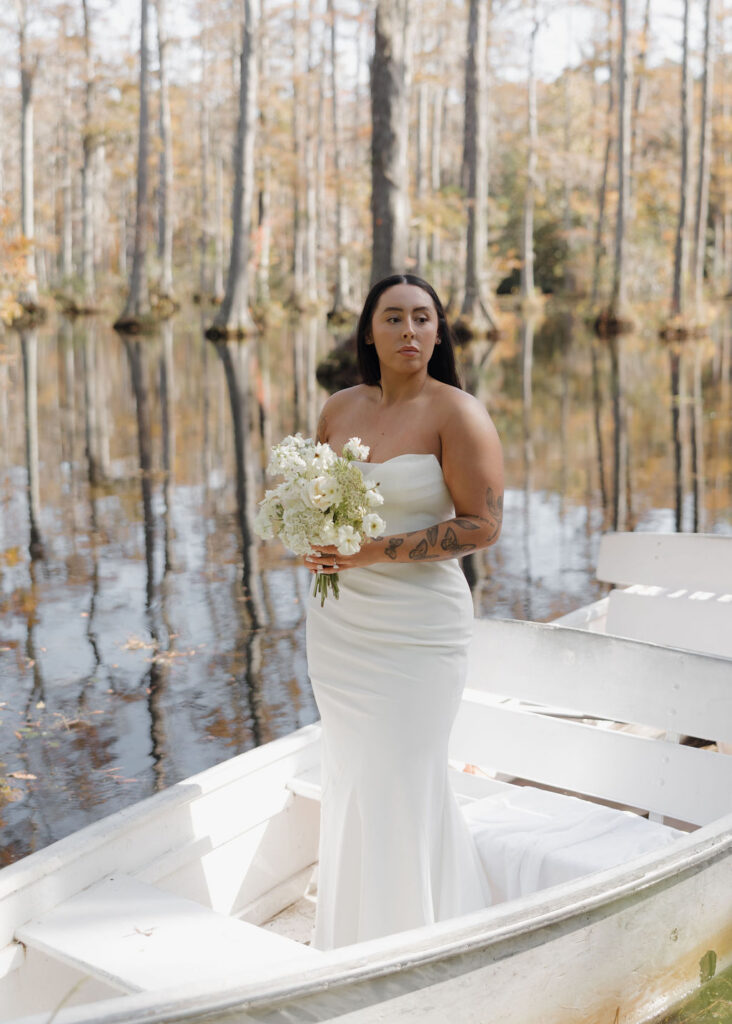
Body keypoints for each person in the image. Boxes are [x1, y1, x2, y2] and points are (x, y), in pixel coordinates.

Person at [305, 274, 504, 950]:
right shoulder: (336, 410)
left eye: (423, 318)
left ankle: (422, 939)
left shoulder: (458, 413)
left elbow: (482, 526)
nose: (410, 330)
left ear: (440, 332)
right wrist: (312, 539)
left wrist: (375, 551)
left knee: (403, 774)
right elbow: (318, 501)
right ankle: (352, 939)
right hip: (341, 629)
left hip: (419, 631)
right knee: (354, 773)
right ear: (368, 332)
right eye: (394, 318)